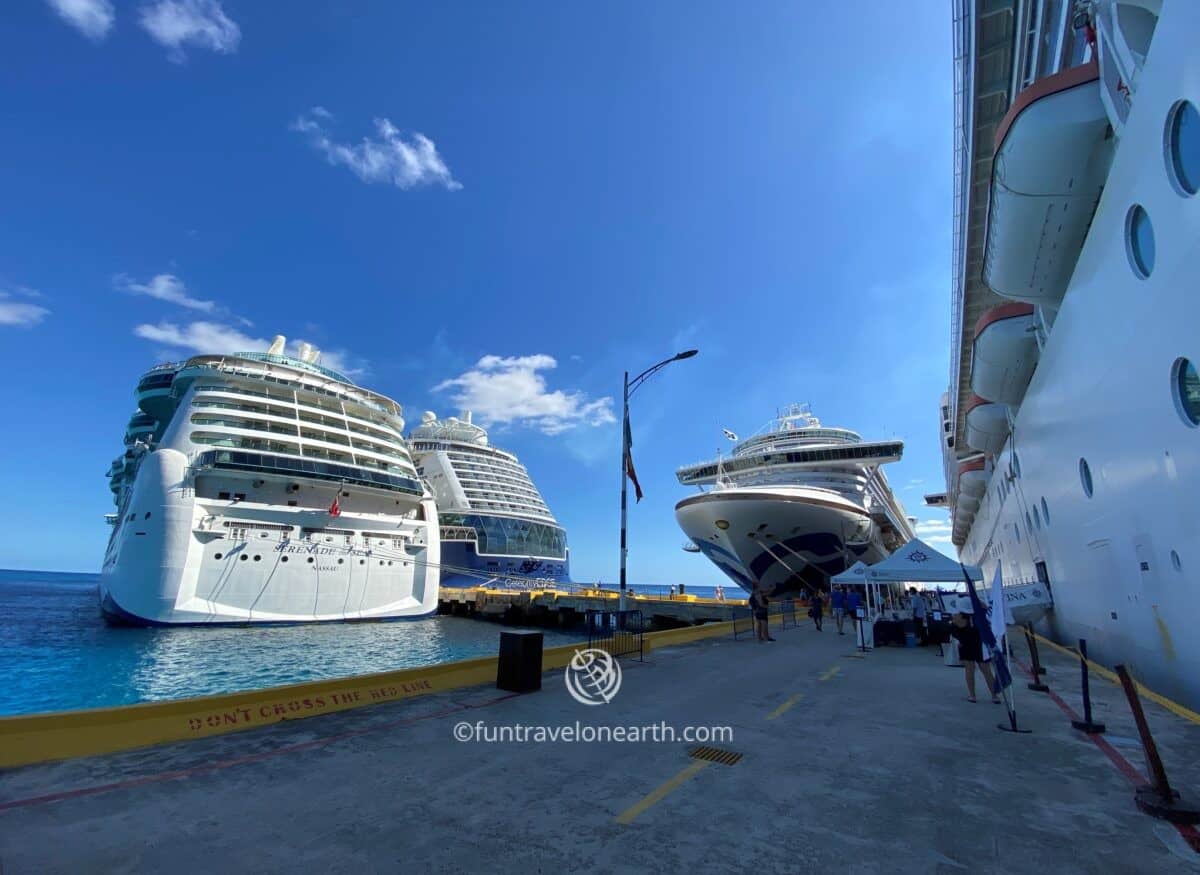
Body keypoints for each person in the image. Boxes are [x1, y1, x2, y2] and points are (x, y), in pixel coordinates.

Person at [948, 612, 1000, 703]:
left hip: (975, 643)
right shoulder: (966, 615)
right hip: (969, 643)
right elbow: (954, 629)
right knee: (974, 669)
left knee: (982, 669)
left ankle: (984, 695)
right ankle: (980, 695)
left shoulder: (970, 614)